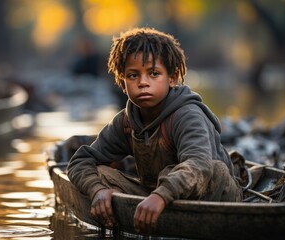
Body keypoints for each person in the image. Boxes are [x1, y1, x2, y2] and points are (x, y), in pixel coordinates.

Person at [67, 27, 242, 234]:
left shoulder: (187, 115)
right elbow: (80, 161)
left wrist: (161, 195)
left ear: (172, 78)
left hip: (214, 195)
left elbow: (200, 165)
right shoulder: (126, 121)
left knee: (205, 169)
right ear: (122, 81)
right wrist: (98, 189)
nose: (142, 83)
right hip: (155, 193)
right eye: (133, 75)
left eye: (154, 73)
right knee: (100, 173)